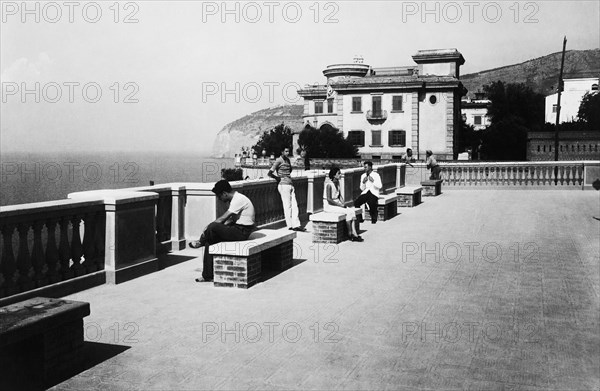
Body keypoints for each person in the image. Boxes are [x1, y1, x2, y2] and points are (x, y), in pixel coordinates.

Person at [189, 180, 256, 282]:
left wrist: (208, 227)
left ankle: (200, 242)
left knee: (212, 226)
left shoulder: (238, 200)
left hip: (242, 231)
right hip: (238, 229)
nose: (219, 199)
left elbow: (222, 219)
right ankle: (207, 275)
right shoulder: (235, 199)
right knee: (210, 241)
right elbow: (229, 220)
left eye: (219, 196)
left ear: (224, 193)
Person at [268, 147, 305, 232]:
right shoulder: (278, 160)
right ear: (282, 152)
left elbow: (290, 169)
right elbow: (269, 173)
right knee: (287, 206)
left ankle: (296, 225)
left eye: (289, 151)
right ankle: (290, 225)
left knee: (295, 206)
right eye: (286, 151)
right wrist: (277, 178)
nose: (288, 153)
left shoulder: (288, 160)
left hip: (290, 184)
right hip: (283, 185)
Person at [324, 167, 363, 242]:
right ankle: (349, 233)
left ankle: (354, 233)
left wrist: (343, 203)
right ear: (334, 175)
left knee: (352, 211)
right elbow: (329, 199)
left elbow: (339, 195)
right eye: (338, 173)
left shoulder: (337, 183)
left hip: (337, 203)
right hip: (329, 206)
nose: (340, 175)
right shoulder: (329, 185)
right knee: (348, 212)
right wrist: (340, 206)